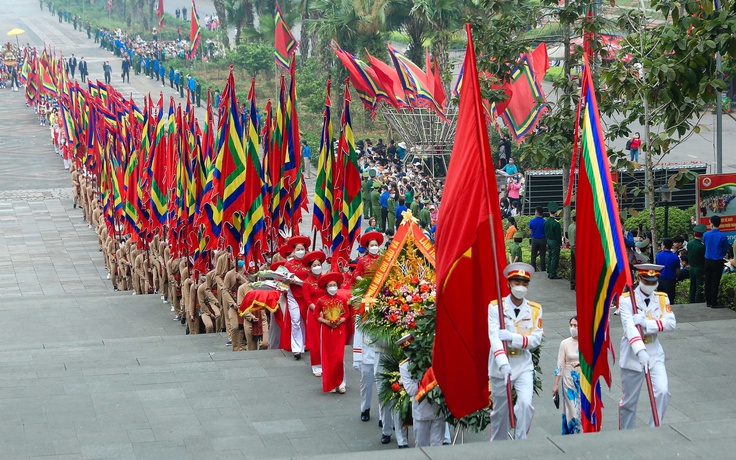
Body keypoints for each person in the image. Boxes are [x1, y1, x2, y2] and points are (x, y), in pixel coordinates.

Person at [488, 262, 543, 441]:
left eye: (524, 283)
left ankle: (521, 442)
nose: (520, 286)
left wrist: (513, 338)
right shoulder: (496, 307)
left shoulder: (535, 310)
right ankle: (498, 446)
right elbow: (495, 337)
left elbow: (535, 339)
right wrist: (503, 364)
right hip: (500, 365)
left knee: (526, 404)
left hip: (522, 364)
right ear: (508, 284)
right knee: (500, 412)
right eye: (516, 282)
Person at [618, 264, 676, 429]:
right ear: (638, 279)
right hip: (632, 353)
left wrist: (647, 324)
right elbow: (629, 328)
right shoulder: (626, 300)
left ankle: (654, 429)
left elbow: (671, 323)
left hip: (654, 351)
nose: (650, 285)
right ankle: (626, 434)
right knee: (629, 402)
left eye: (653, 282)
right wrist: (640, 351)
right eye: (647, 281)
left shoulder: (662, 298)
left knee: (662, 391)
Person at [397, 335, 444, 447]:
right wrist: (428, 382)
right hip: (421, 412)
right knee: (422, 447)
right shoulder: (405, 366)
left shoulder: (431, 359)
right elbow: (411, 390)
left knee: (437, 445)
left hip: (438, 409)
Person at [315, 272, 350, 393]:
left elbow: (347, 313)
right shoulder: (321, 300)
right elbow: (315, 315)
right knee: (328, 356)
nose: (332, 287)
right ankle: (330, 383)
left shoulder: (341, 299)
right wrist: (325, 321)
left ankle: (341, 383)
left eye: (334, 285)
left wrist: (340, 321)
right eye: (330, 285)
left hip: (339, 330)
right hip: (326, 330)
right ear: (325, 287)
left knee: (339, 357)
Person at [553, 316, 581, 435]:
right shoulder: (564, 343)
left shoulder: (587, 342)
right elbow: (560, 363)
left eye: (576, 326)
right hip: (568, 380)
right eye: (571, 325)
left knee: (582, 407)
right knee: (572, 407)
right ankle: (574, 431)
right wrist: (556, 383)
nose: (573, 328)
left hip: (582, 379)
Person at [302, 250, 326, 375]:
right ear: (310, 268)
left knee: (326, 340)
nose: (317, 267)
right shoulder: (306, 283)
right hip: (314, 314)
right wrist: (318, 311)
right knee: (315, 340)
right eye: (314, 265)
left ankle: (326, 363)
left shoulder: (325, 280)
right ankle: (316, 364)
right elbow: (307, 301)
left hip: (327, 313)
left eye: (319, 265)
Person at [703, 215, 729, 308]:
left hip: (707, 260)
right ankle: (714, 302)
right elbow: (725, 249)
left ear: (711, 223)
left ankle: (708, 301)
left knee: (707, 280)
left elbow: (705, 245)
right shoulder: (723, 236)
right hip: (718, 261)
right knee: (715, 281)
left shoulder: (705, 234)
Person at [655, 238, 679, 303]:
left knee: (660, 298)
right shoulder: (675, 257)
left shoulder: (658, 255)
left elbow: (657, 267)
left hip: (660, 279)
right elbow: (677, 270)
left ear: (664, 246)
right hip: (670, 280)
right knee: (670, 299)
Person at [688, 224, 706, 303]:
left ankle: (691, 301)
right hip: (699, 268)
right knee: (699, 287)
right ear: (702, 235)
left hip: (691, 268)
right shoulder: (702, 246)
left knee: (692, 286)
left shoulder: (689, 244)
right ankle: (698, 302)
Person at [545, 202, 562, 279]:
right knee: (555, 258)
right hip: (554, 241)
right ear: (556, 212)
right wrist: (560, 243)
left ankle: (549, 270)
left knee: (550, 256)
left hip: (548, 240)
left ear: (549, 211)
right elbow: (558, 235)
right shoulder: (556, 223)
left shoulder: (546, 222)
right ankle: (552, 274)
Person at [529, 206, 546, 272]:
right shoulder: (545, 222)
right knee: (542, 255)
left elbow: (531, 231)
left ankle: (533, 270)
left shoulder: (532, 221)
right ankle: (543, 270)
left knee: (533, 255)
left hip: (535, 239)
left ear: (536, 212)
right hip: (543, 239)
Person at [568, 211, 576, 290]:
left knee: (573, 267)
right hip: (576, 248)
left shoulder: (570, 226)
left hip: (571, 247)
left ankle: (572, 283)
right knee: (578, 266)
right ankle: (577, 283)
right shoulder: (577, 227)